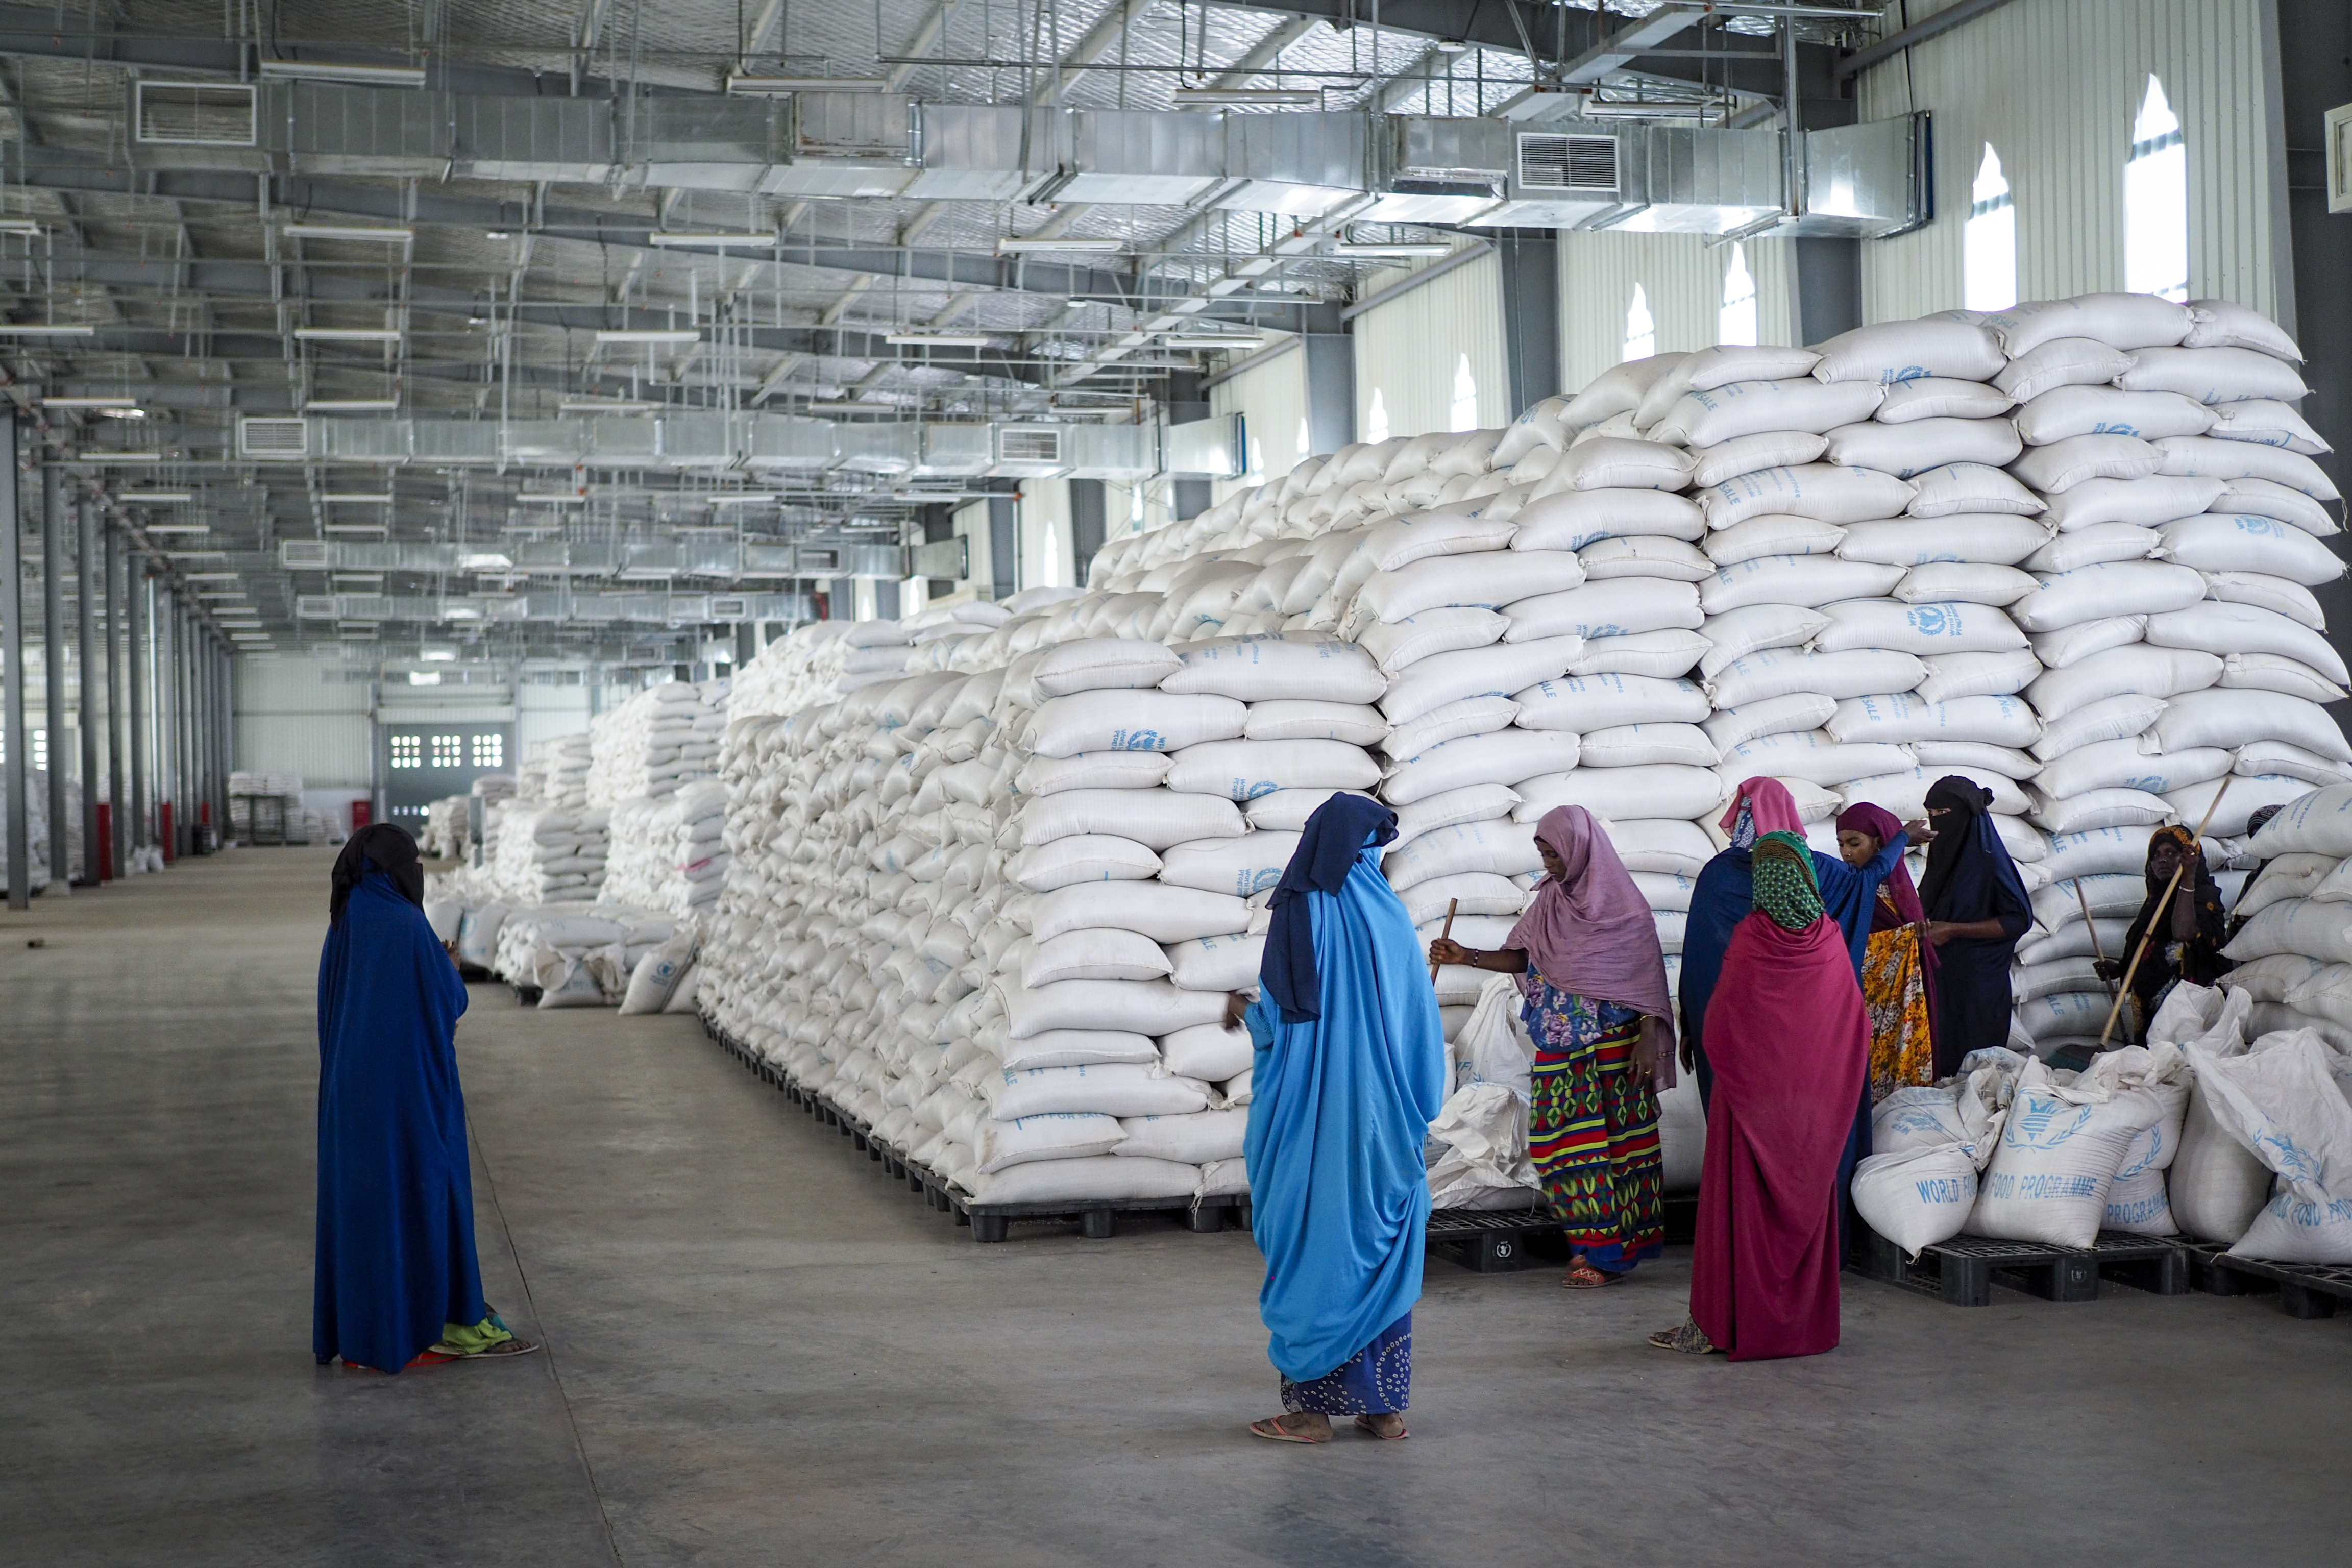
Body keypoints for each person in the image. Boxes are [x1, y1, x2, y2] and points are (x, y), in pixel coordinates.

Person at [1230, 793, 1445, 1444]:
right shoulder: (1391, 915)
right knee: (1376, 1252)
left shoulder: (1301, 908)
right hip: (1384, 1125)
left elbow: (1287, 1020)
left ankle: (1311, 1414)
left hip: (1318, 1121)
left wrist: (1249, 1017)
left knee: (1317, 1241)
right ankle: (1383, 1411)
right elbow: (1420, 1030)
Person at [315, 823, 537, 1373]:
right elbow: (447, 1001)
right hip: (408, 1094)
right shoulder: (407, 924)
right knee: (424, 1196)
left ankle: (366, 1332)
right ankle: (429, 1327)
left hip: (350, 1097)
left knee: (368, 1209)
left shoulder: (343, 922)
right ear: (397, 871)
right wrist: (448, 968)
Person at [1427, 805, 1675, 1290]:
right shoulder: (1551, 904)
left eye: (1554, 854)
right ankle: (1596, 1243)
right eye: (1543, 854)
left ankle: (1607, 1255)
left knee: (1620, 1152)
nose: (1549, 865)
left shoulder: (1626, 911)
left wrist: (1649, 1038)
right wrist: (1468, 956)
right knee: (1559, 1145)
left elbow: (1646, 982)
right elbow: (1526, 955)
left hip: (1615, 1050)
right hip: (1560, 1048)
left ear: (1582, 849)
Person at [1650, 832, 1870, 1360]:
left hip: (1751, 1108)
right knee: (1807, 1209)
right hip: (1815, 1113)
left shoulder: (1753, 937)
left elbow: (1721, 1025)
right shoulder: (1829, 941)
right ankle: (1803, 1328)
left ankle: (1728, 1324)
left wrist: (1739, 1072)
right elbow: (1854, 1028)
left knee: (1743, 1215)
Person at [1678, 779, 1915, 1111]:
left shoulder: (1716, 875)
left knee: (1740, 1122)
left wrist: (1690, 1023)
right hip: (1797, 1037)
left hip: (1729, 1032)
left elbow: (1697, 958)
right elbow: (1868, 878)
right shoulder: (1812, 870)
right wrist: (1901, 838)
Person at [1916, 776, 2032, 1079]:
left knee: (1972, 1074)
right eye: (1933, 814)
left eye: (1945, 814)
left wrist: (1954, 930)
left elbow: (2019, 919)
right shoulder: (1942, 860)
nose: (1937, 822)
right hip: (1943, 983)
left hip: (1977, 989)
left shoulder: (1988, 862)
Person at [1835, 802, 1937, 1101]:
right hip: (1855, 1002)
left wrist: (1913, 939)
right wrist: (1903, 938)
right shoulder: (1847, 885)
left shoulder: (1901, 890)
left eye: (1854, 843)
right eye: (1841, 844)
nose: (1846, 853)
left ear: (1880, 842)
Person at [2099, 824, 2233, 1039]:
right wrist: (2119, 969)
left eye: (2172, 853)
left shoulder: (2204, 896)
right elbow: (2147, 946)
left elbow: (2182, 933)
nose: (2162, 860)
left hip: (2185, 1015)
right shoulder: (2154, 903)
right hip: (2150, 1011)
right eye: (2156, 855)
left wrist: (2187, 878)